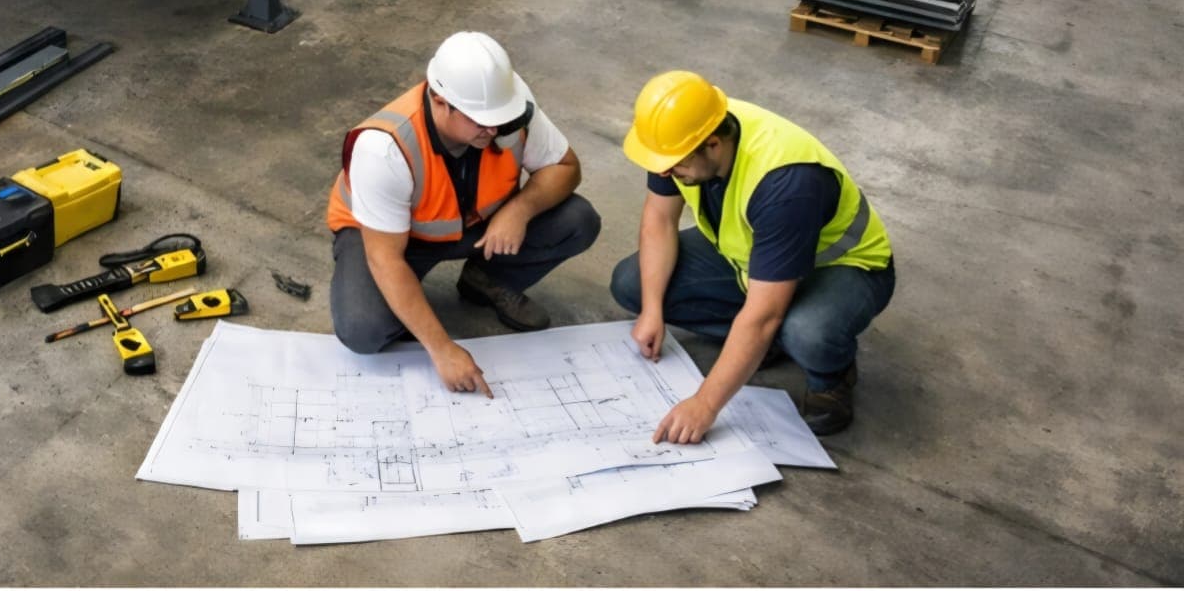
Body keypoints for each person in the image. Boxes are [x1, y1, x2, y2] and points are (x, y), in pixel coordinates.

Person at [610, 71, 895, 438]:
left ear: (713, 144)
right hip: (750, 257)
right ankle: (764, 347)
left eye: (675, 165)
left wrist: (704, 404)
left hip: (841, 267)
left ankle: (831, 377)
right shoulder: (680, 138)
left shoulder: (787, 183)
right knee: (633, 284)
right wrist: (652, 309)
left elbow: (764, 314)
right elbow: (659, 222)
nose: (665, 172)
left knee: (806, 331)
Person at [328, 32, 601, 395]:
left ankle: (485, 279)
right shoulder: (384, 149)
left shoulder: (508, 107)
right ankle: (406, 312)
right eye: (480, 122)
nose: (494, 130)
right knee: (363, 329)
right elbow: (385, 260)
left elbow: (566, 167)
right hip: (393, 239)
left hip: (476, 226)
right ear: (440, 101)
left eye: (499, 120)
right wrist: (442, 348)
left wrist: (519, 210)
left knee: (577, 220)